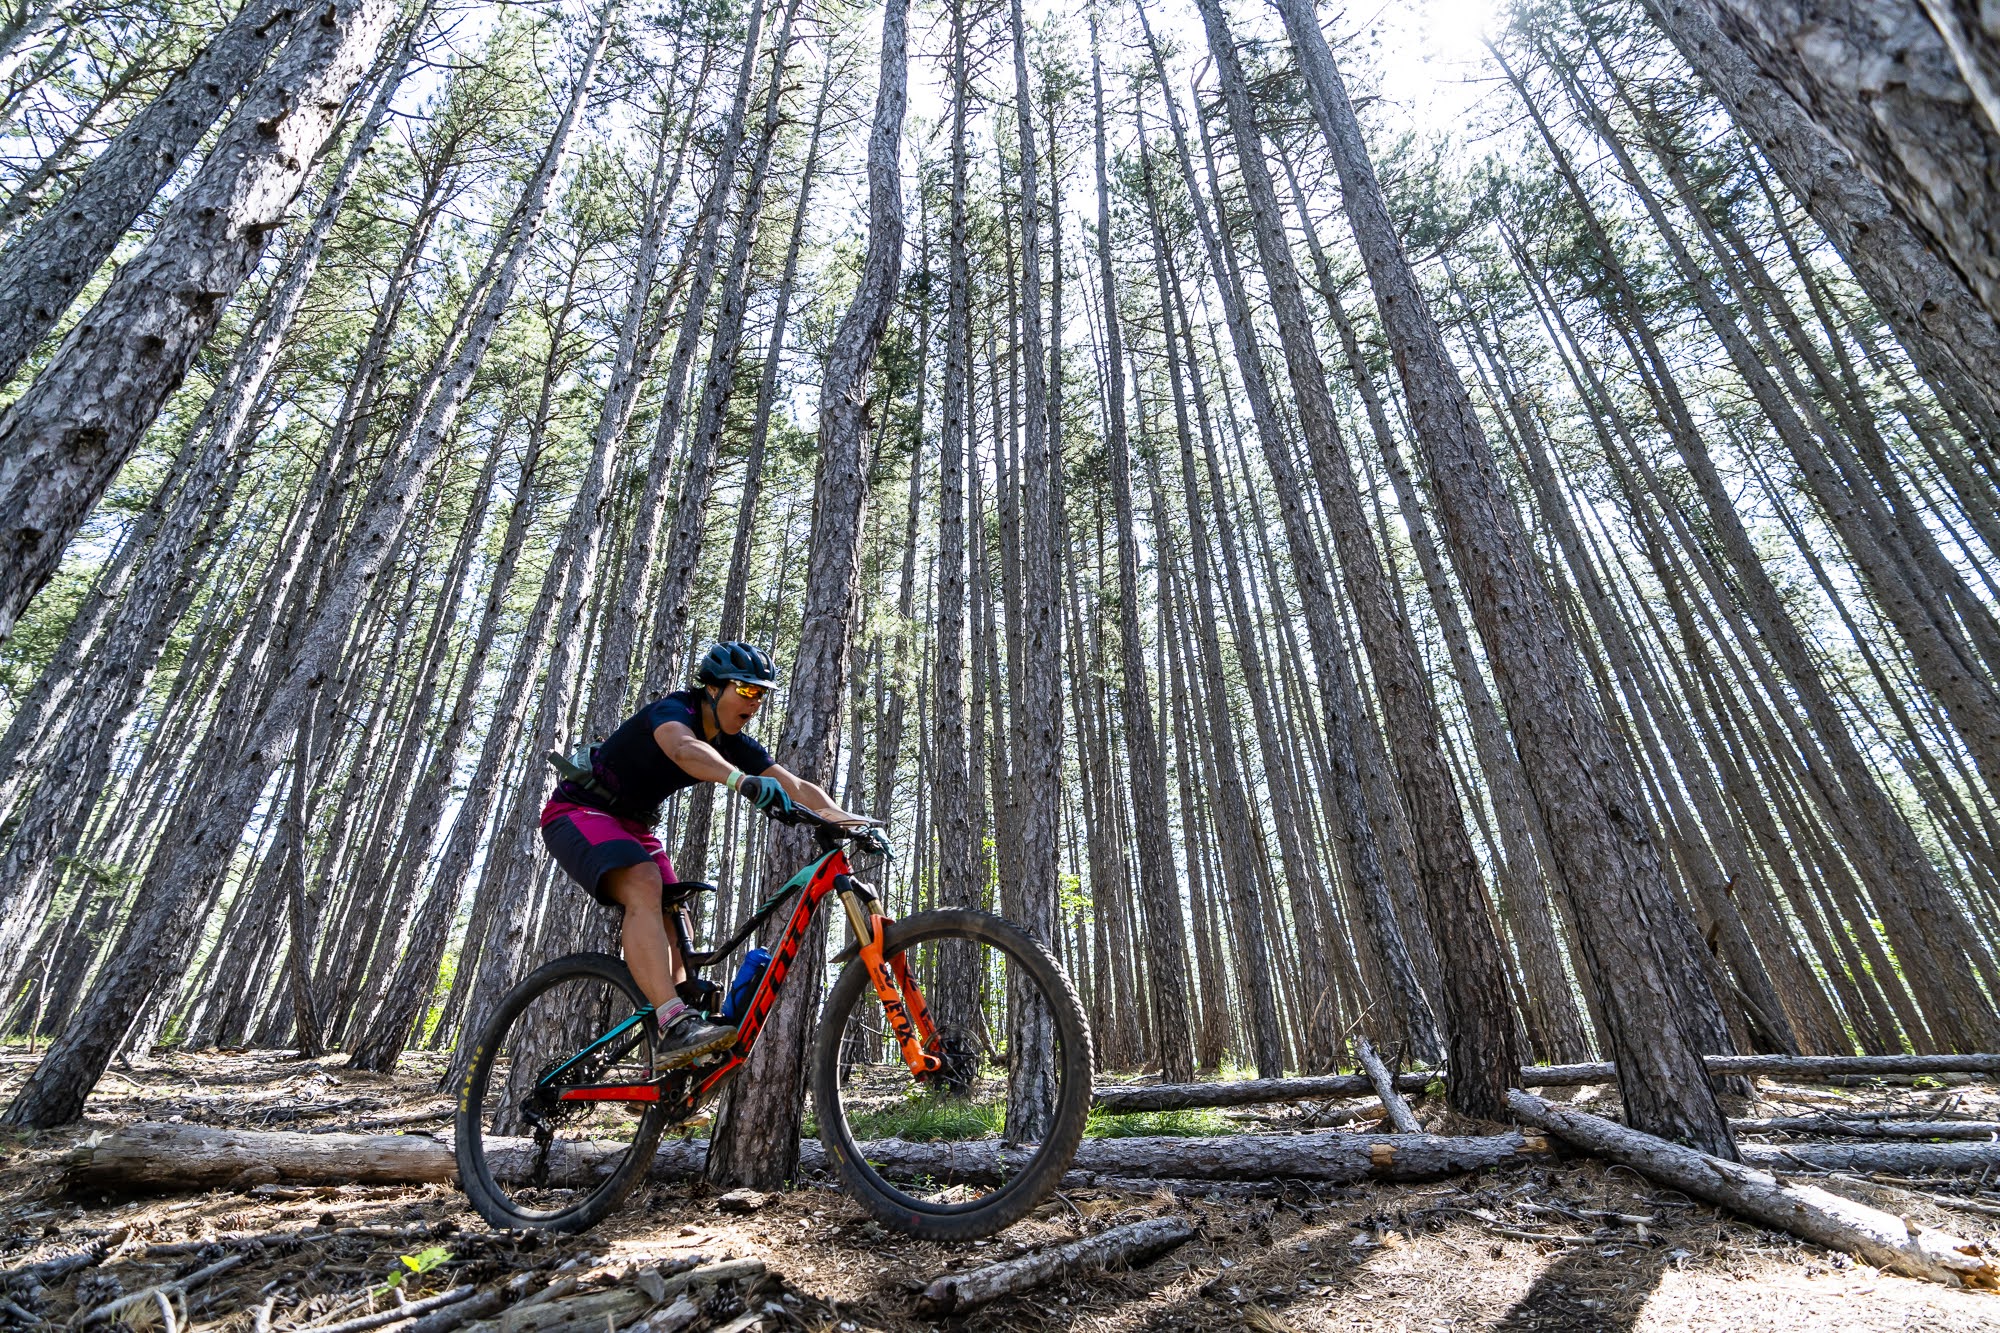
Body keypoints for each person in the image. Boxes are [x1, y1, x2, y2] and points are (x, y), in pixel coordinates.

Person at [539, 640, 870, 1067]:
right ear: (713, 688)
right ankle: (673, 1022)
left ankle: (686, 1038)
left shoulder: (734, 742)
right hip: (578, 811)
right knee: (643, 882)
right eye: (747, 690)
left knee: (676, 918)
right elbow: (683, 748)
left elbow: (798, 787)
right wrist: (740, 781)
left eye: (762, 694)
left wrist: (853, 823)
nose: (756, 701)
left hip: (633, 825)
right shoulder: (674, 711)